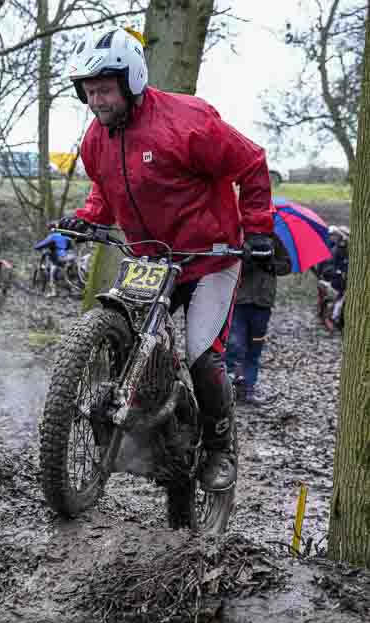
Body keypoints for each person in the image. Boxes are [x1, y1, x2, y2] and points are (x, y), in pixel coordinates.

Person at [57, 27, 274, 492]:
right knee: (128, 335)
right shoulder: (96, 139)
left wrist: (258, 230)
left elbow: (252, 162)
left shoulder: (188, 121)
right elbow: (107, 187)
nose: (96, 101)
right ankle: (146, 423)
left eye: (104, 89)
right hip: (151, 261)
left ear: (131, 80)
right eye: (89, 92)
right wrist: (89, 217)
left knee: (201, 355)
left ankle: (220, 448)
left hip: (209, 257)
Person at [226, 235, 291, 404]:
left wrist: (269, 264)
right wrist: (247, 261)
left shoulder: (274, 239)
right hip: (240, 301)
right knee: (235, 345)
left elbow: (286, 266)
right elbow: (226, 263)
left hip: (262, 304)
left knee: (254, 348)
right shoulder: (240, 236)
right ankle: (231, 385)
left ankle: (248, 389)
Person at [34, 226, 74, 295]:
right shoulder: (66, 236)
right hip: (68, 257)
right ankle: (71, 289)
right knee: (64, 273)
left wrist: (36, 247)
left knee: (52, 272)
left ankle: (53, 292)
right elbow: (70, 247)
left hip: (59, 258)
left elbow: (43, 243)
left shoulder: (53, 236)